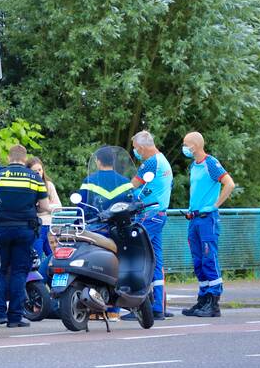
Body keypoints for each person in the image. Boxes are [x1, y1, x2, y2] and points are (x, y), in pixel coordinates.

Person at [0, 144, 51, 328]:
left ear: (8, 158)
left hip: (0, 229)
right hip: (25, 230)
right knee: (19, 272)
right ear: (24, 159)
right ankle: (15, 317)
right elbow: (45, 206)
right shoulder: (35, 178)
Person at [181, 131, 236, 318]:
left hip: (207, 219)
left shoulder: (210, 163)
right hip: (194, 218)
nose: (184, 147)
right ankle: (203, 299)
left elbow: (229, 184)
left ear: (195, 146)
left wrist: (213, 206)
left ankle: (214, 302)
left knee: (208, 258)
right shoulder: (193, 166)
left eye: (186, 144)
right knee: (198, 261)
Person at [78, 146, 134, 320]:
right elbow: (132, 207)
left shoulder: (90, 180)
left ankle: (95, 309)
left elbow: (81, 206)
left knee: (93, 267)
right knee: (119, 266)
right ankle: (114, 310)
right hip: (119, 231)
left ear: (98, 161)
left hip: (96, 230)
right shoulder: (125, 182)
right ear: (113, 162)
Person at [129, 131, 174, 321]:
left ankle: (139, 304)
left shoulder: (150, 163)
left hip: (149, 215)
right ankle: (158, 307)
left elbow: (133, 185)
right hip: (159, 215)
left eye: (137, 149)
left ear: (142, 147)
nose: (136, 153)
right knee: (156, 261)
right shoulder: (163, 160)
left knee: (137, 257)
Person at [27, 157, 61, 269]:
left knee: (54, 257)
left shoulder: (48, 185)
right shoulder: (28, 186)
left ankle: (53, 284)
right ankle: (38, 284)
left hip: (50, 227)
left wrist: (45, 207)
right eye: (34, 171)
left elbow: (58, 206)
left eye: (40, 170)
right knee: (37, 257)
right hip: (37, 226)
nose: (38, 173)